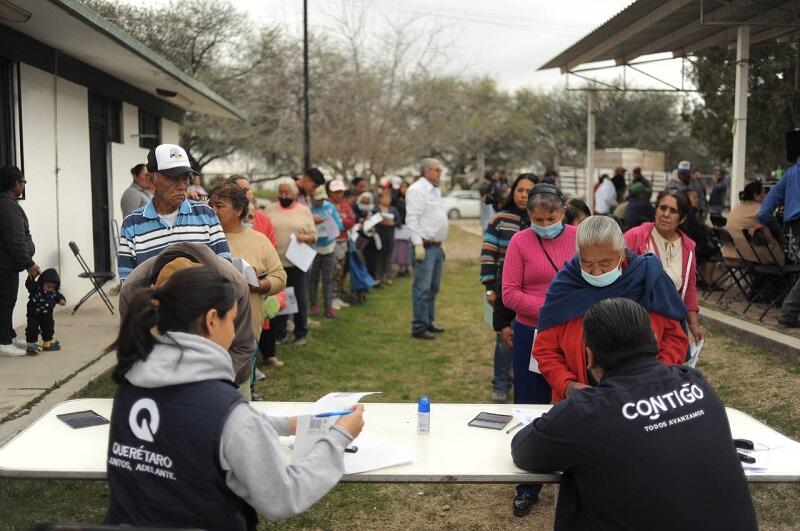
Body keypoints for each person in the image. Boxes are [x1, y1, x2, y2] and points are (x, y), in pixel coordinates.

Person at [104, 267, 365, 528]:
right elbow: (283, 497)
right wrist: (339, 437)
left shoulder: (129, 388)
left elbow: (195, 428)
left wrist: (288, 425)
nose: (235, 332)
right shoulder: (227, 413)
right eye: (233, 320)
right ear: (212, 320)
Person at [512, 298, 757, 531]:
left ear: (589, 356)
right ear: (652, 340)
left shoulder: (587, 411)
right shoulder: (695, 383)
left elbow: (524, 450)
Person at [534, 215, 689, 403]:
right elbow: (545, 349)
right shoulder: (566, 287)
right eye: (587, 264)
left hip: (646, 396)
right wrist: (567, 384)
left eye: (605, 263)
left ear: (622, 253)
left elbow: (675, 337)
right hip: (580, 401)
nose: (596, 272)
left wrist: (655, 377)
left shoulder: (648, 280)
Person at [502, 182, 578, 517]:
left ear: (564, 210)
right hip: (530, 333)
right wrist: (551, 308)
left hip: (573, 334)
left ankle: (577, 477)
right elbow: (510, 293)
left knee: (574, 402)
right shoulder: (520, 241)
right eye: (538, 219)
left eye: (551, 218)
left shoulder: (579, 237)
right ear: (528, 216)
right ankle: (528, 484)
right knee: (531, 405)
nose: (545, 225)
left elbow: (590, 279)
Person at [119, 244, 256, 390]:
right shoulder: (132, 290)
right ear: (154, 297)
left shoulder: (235, 286)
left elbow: (242, 346)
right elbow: (133, 348)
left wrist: (206, 385)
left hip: (228, 380)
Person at [117, 144, 230, 281]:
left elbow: (225, 270)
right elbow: (128, 283)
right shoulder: (132, 225)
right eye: (173, 178)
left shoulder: (206, 215)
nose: (182, 185)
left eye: (185, 177)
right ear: (151, 179)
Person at [208, 182, 287, 377]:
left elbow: (279, 276)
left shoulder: (259, 241)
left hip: (247, 327)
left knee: (243, 385)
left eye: (219, 206)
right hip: (209, 328)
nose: (213, 210)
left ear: (239, 209)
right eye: (210, 205)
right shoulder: (203, 239)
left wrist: (260, 285)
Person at [480, 174, 537, 403]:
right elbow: (488, 253)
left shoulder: (540, 220)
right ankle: (500, 385)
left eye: (529, 191)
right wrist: (489, 288)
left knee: (525, 342)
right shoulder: (501, 219)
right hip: (503, 291)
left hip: (531, 294)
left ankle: (521, 382)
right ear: (513, 191)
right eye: (520, 190)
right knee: (504, 340)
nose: (523, 195)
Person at [624, 191, 703, 343]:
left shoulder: (688, 247)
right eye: (662, 208)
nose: (665, 214)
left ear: (683, 218)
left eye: (673, 211)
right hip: (638, 322)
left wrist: (694, 324)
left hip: (673, 324)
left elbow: (689, 289)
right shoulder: (635, 237)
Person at [266, 178, 316, 345]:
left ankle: (300, 331)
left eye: (287, 192)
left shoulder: (304, 211)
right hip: (276, 263)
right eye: (281, 192)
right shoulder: (270, 209)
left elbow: (313, 236)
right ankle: (280, 332)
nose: (283, 195)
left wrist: (304, 237)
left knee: (299, 297)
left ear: (294, 194)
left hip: (297, 262)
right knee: (280, 297)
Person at [406, 158, 448, 340]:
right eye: (437, 170)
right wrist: (417, 244)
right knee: (422, 288)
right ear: (427, 171)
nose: (440, 173)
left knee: (433, 287)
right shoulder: (417, 190)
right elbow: (412, 219)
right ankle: (419, 326)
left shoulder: (434, 190)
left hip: (436, 246)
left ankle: (428, 321)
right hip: (424, 245)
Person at [0, 165, 40, 356]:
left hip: (8, 264)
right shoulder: (7, 206)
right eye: (22, 182)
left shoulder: (9, 204)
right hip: (5, 265)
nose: (24, 185)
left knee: (7, 301)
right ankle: (4, 341)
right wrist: (29, 263)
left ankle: (9, 335)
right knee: (6, 302)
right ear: (15, 184)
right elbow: (15, 240)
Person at [723, 181, 783, 265]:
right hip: (751, 255)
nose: (766, 196)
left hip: (730, 253)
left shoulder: (736, 209)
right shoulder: (762, 210)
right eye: (764, 193)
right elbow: (778, 231)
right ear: (756, 196)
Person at [309, 186, 343, 318]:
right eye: (318, 199)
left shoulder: (330, 207)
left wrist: (328, 221)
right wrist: (312, 220)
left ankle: (328, 308)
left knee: (327, 279)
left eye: (322, 199)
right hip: (313, 248)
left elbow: (339, 225)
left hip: (328, 247)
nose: (320, 202)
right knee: (314, 278)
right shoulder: (308, 209)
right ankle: (313, 305)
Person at [24, 268, 66, 354]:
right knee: (32, 329)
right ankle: (31, 345)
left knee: (48, 328)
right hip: (34, 313)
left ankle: (47, 343)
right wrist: (32, 276)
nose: (50, 289)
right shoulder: (36, 288)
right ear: (42, 283)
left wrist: (62, 300)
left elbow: (59, 297)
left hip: (47, 314)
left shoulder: (54, 292)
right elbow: (29, 284)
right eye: (48, 286)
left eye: (53, 287)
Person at [328, 180, 354, 310]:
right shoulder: (326, 205)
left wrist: (340, 221)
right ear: (331, 192)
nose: (339, 194)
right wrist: (341, 222)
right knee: (332, 271)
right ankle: (330, 298)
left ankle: (336, 296)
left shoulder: (345, 206)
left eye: (341, 191)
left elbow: (351, 221)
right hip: (331, 242)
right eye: (336, 192)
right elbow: (330, 223)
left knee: (340, 270)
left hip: (343, 241)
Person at [229, 175, 277, 247]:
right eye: (239, 190)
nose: (243, 194)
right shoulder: (224, 219)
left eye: (246, 190)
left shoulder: (264, 220)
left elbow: (272, 248)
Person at [372, 184, 400, 285]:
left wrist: (393, 223)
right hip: (378, 236)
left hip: (389, 236)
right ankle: (378, 277)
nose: (388, 200)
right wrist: (380, 222)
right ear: (380, 198)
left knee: (388, 258)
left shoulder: (393, 209)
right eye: (385, 197)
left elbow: (399, 222)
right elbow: (372, 220)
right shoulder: (376, 208)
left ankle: (388, 276)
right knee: (379, 257)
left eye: (389, 198)